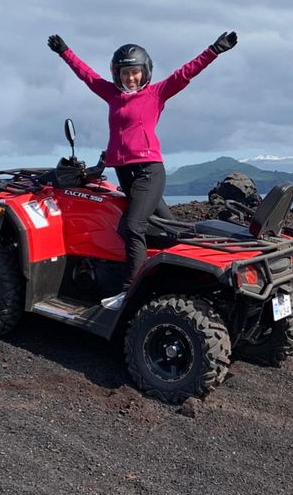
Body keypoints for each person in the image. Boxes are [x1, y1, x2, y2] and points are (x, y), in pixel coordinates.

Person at [48, 30, 238, 309]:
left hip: (148, 171)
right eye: (125, 73)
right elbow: (86, 75)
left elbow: (186, 73)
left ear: (145, 71)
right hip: (126, 174)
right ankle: (190, 276)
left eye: (135, 72)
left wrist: (215, 49)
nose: (130, 78)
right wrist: (65, 52)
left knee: (132, 227)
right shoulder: (112, 94)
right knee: (170, 228)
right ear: (117, 74)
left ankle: (129, 292)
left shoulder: (157, 93)